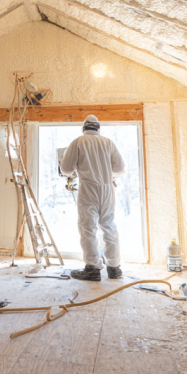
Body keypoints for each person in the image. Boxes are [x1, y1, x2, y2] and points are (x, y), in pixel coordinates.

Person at [60, 115, 125, 281]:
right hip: (107, 188)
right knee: (109, 225)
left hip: (88, 189)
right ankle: (114, 268)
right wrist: (108, 176)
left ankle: (93, 268)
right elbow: (120, 168)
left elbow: (66, 169)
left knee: (88, 228)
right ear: (98, 128)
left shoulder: (78, 142)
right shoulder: (108, 142)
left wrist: (70, 169)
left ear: (84, 128)